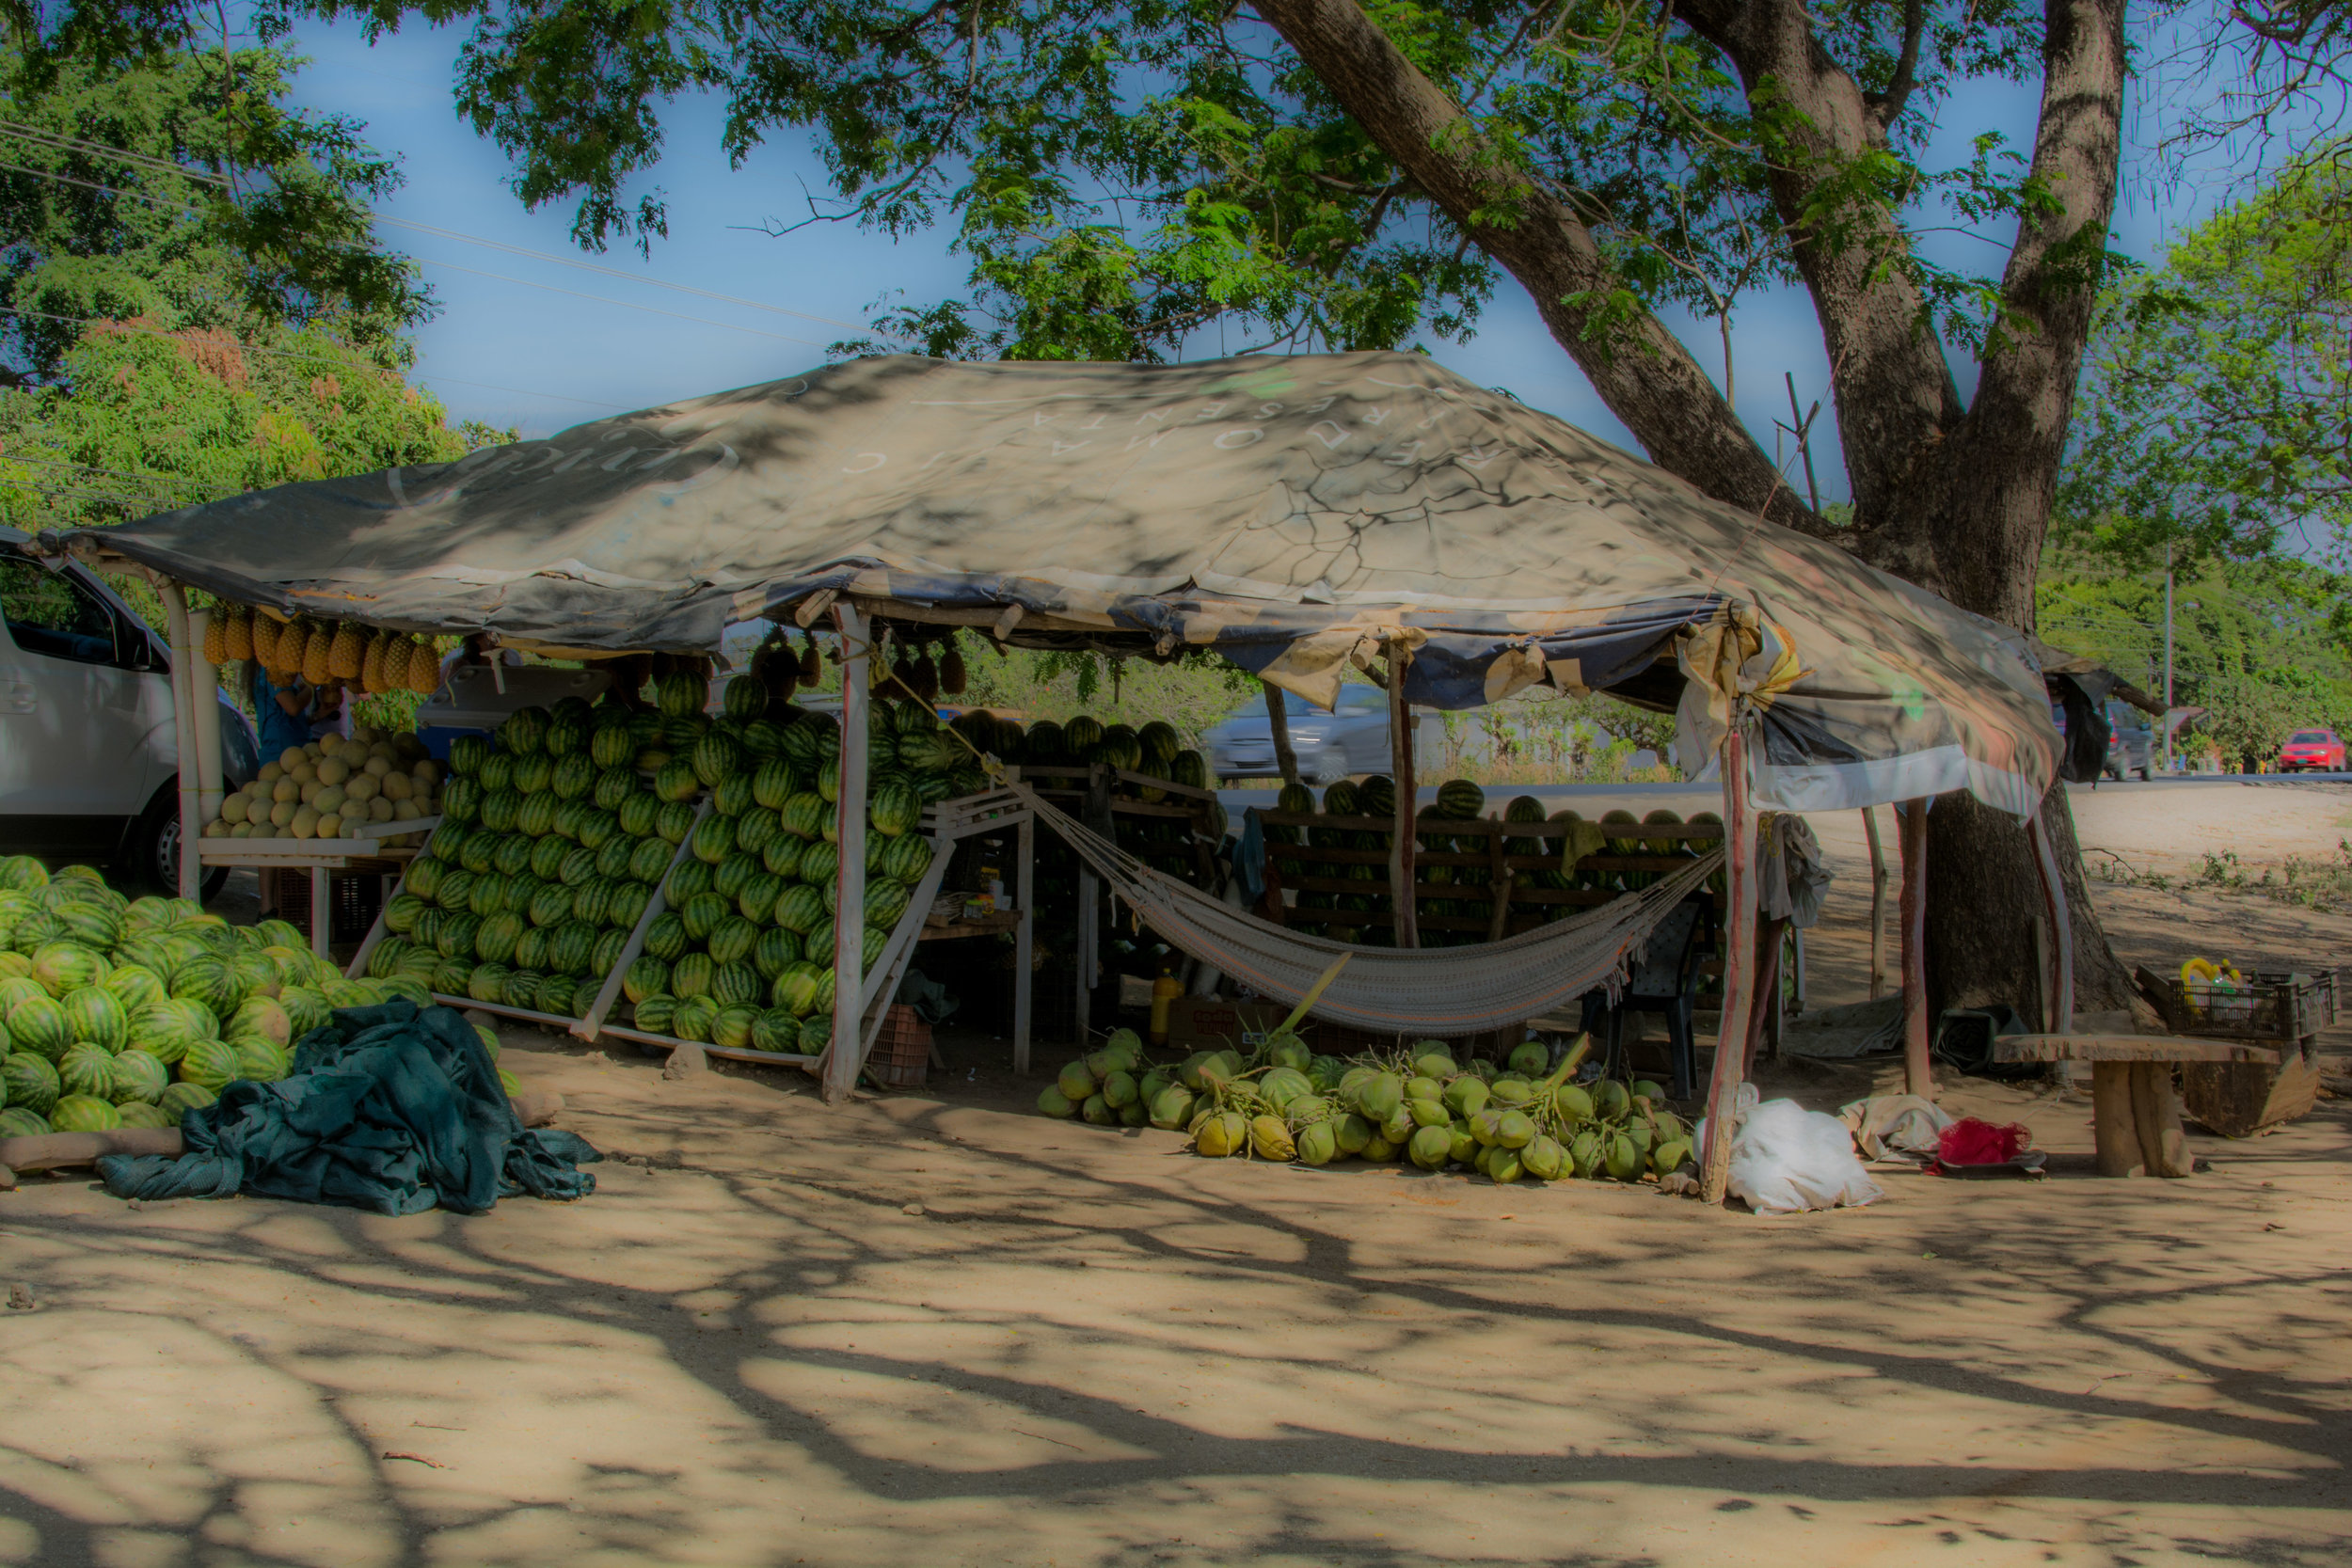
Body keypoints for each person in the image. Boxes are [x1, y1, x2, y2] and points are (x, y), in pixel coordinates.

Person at [248, 661, 311, 763]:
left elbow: (288, 694)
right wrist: (314, 685)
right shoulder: (273, 671)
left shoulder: (266, 670)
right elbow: (293, 708)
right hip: (282, 749)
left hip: (286, 746)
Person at [437, 630, 523, 687]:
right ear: (476, 637)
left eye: (501, 633)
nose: (498, 639)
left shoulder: (513, 656)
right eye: (492, 635)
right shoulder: (455, 666)